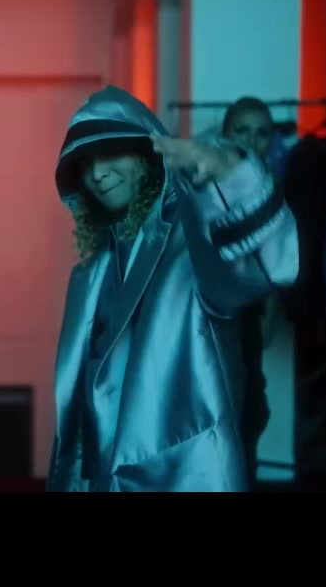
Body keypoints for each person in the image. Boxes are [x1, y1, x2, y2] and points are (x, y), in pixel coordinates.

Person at [47, 86, 298, 492]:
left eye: (110, 155)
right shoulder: (90, 274)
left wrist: (232, 177)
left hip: (184, 474)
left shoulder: (192, 243)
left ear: (147, 156)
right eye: (85, 164)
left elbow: (271, 265)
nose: (97, 174)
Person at [221, 96, 277, 489]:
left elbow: (278, 263)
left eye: (261, 133)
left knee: (250, 413)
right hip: (208, 320)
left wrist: (270, 315)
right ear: (226, 134)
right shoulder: (203, 185)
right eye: (242, 131)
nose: (251, 142)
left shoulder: (273, 189)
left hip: (248, 322)